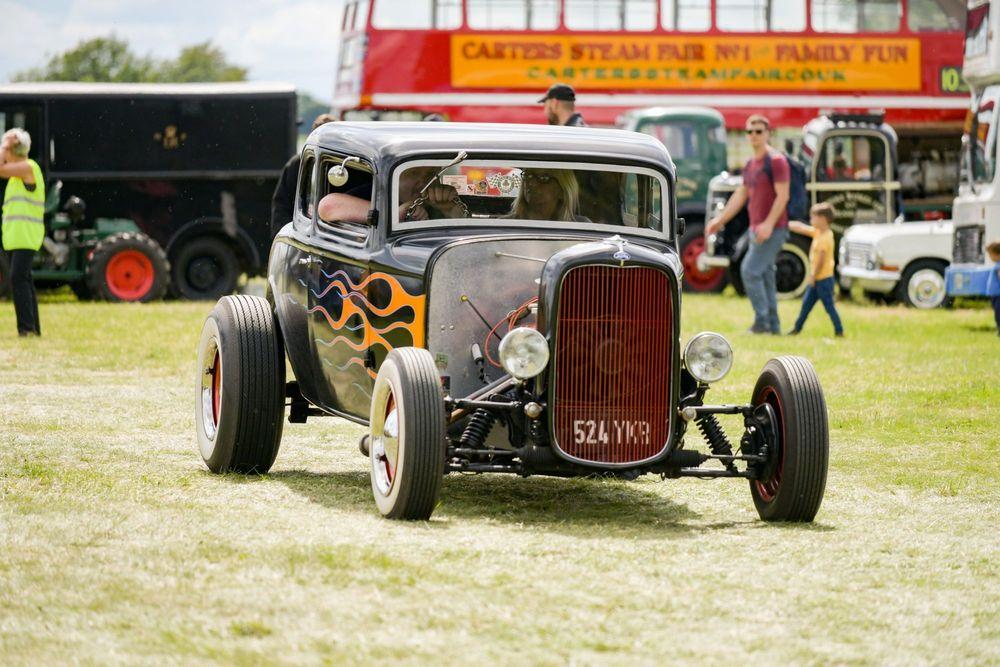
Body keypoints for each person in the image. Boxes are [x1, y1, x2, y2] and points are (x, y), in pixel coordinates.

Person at [705, 114, 791, 334]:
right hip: (755, 228)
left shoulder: (777, 161)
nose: (753, 135)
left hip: (773, 229)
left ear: (768, 133)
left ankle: (761, 323)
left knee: (750, 271)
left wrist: (769, 225)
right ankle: (773, 326)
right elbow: (741, 194)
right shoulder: (751, 164)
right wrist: (719, 221)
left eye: (759, 131)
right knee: (765, 275)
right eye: (749, 131)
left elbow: (783, 196)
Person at [1, 128, 44, 336]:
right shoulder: (18, 175)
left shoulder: (28, 167)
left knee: (18, 278)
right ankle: (33, 329)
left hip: (26, 235)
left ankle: (26, 329)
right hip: (18, 236)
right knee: (24, 279)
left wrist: (4, 144)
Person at [317, 165, 464, 223]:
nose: (423, 181)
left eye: (431, 174)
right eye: (413, 173)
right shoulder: (372, 194)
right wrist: (393, 214)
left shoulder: (439, 200)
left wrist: (450, 210)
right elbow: (328, 206)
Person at [270, 113, 337, 236]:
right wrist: (284, 234)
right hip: (300, 230)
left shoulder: (341, 168)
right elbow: (281, 204)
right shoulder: (297, 164)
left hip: (331, 232)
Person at [787, 203, 844, 337]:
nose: (811, 221)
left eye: (813, 218)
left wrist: (813, 275)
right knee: (806, 305)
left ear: (823, 219)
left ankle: (839, 330)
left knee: (829, 307)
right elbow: (801, 228)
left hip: (823, 280)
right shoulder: (819, 232)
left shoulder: (826, 238)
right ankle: (797, 328)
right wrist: (785, 223)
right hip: (817, 279)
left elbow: (821, 260)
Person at [507, 169, 585, 222]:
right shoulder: (506, 225)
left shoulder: (581, 227)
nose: (532, 183)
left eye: (544, 178)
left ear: (562, 191)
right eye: (528, 176)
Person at [988, 240, 1000, 336]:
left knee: (998, 313)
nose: (990, 257)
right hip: (995, 294)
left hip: (998, 294)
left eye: (991, 255)